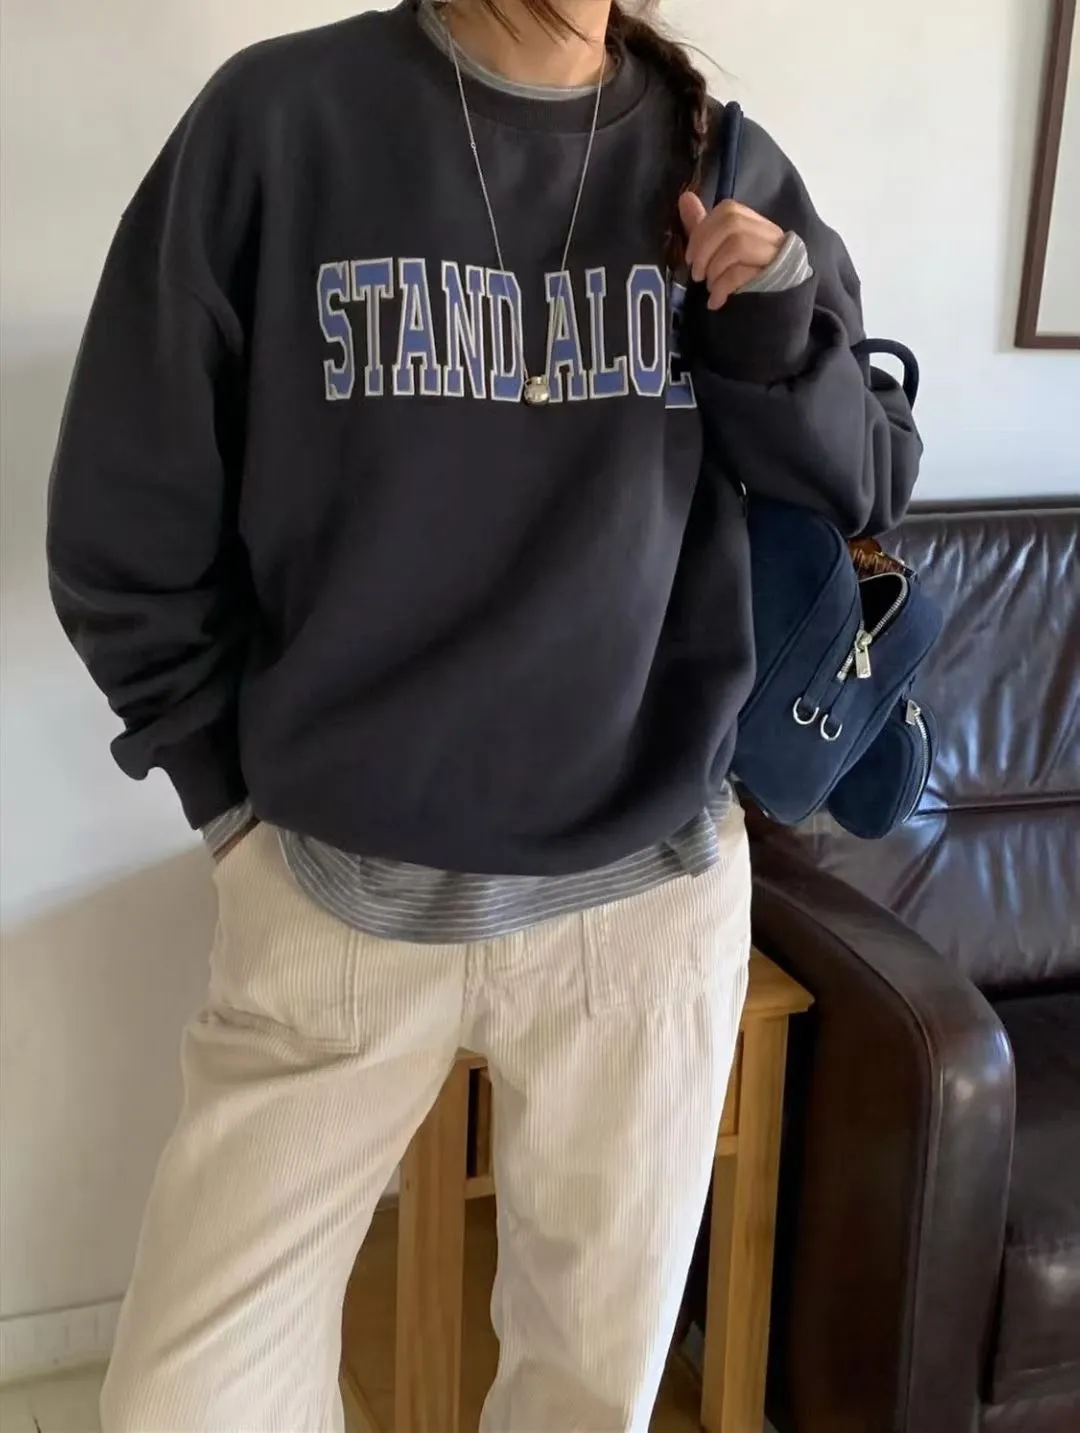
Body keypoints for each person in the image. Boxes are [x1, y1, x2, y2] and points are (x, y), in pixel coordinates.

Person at [47, 1, 921, 1428]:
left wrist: (775, 334)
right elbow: (121, 516)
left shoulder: (719, 158)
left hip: (646, 901)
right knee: (185, 1402)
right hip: (334, 893)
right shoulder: (280, 124)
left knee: (585, 1395)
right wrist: (227, 804)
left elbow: (871, 486)